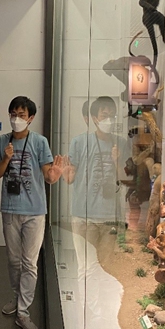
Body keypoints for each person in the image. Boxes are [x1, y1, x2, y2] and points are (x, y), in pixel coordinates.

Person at [0, 96, 64, 329]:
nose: (16, 119)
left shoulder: (39, 142)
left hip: (35, 211)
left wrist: (55, 174)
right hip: (10, 209)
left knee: (29, 263)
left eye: (21, 115)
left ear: (31, 118)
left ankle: (23, 311)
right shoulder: (2, 141)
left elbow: (48, 176)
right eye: (13, 114)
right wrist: (6, 158)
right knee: (14, 260)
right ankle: (16, 296)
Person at [64, 96, 130, 276]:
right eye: (104, 115)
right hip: (84, 216)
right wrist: (64, 173)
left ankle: (101, 296)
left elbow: (125, 179)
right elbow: (69, 178)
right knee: (86, 267)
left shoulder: (121, 143)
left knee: (106, 268)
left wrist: (117, 161)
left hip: (110, 217)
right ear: (94, 118)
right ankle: (87, 296)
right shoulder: (79, 142)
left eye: (112, 115)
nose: (108, 119)